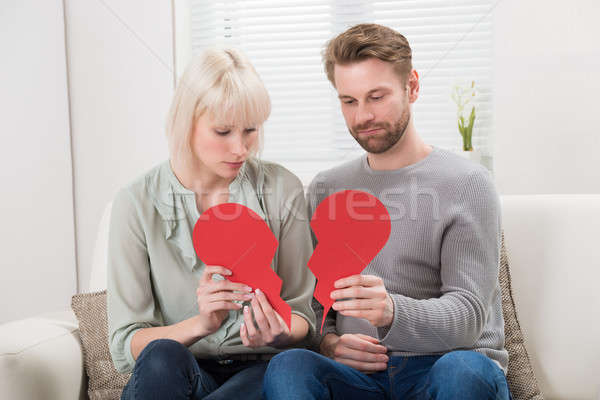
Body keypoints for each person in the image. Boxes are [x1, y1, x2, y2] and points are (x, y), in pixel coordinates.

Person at [263, 23, 512, 400]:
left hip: (444, 367)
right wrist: (329, 342)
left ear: (412, 86)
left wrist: (392, 311)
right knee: (289, 366)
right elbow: (314, 304)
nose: (362, 116)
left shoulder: (467, 183)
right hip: (358, 378)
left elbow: (469, 317)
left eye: (376, 97)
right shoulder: (327, 188)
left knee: (463, 371)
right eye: (349, 101)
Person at [107, 48, 316, 400]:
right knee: (161, 356)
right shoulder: (136, 202)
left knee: (285, 369)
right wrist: (202, 325)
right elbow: (125, 345)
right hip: (177, 371)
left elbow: (304, 319)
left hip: (260, 371)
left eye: (250, 130)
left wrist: (279, 333)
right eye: (222, 131)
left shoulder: (283, 189)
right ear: (185, 122)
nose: (240, 148)